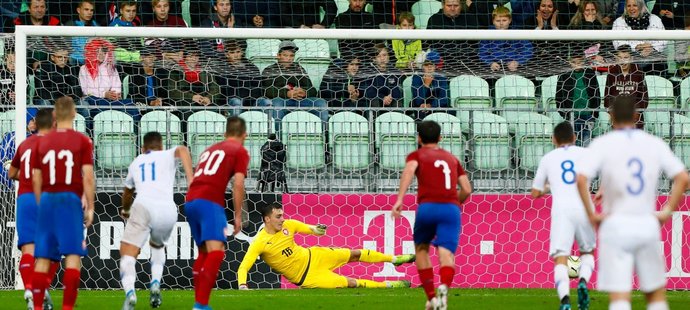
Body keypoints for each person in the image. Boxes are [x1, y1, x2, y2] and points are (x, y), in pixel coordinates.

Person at [575, 96, 689, 310]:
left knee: (619, 298)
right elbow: (683, 178)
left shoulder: (603, 144)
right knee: (655, 296)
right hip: (646, 223)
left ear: (611, 117)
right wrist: (666, 212)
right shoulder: (653, 143)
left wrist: (591, 214)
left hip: (615, 225)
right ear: (637, 116)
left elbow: (581, 178)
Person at [237, 202, 414, 289]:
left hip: (314, 255)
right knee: (351, 283)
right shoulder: (259, 242)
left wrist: (318, 230)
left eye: (282, 215)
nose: (282, 219)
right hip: (307, 277)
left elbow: (311, 229)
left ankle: (394, 259)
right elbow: (243, 267)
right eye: (278, 216)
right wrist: (243, 286)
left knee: (354, 253)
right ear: (267, 219)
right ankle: (390, 285)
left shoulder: (288, 225)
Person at [391, 120, 473, 310]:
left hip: (427, 207)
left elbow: (409, 171)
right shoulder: (452, 159)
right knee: (446, 253)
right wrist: (454, 202)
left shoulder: (417, 155)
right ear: (440, 138)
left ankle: (431, 298)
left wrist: (399, 199)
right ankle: (443, 288)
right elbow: (467, 189)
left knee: (421, 249)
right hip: (450, 209)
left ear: (419, 138)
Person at [30, 96, 95, 310]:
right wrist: (91, 207)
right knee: (73, 255)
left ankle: (37, 307)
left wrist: (41, 203)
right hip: (70, 199)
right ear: (75, 113)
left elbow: (36, 177)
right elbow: (87, 176)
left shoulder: (42, 141)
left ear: (55, 115)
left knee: (42, 257)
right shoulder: (83, 141)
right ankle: (67, 308)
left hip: (48, 198)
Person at [119, 131, 194, 310]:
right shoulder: (168, 154)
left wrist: (126, 209)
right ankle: (155, 282)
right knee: (157, 246)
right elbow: (183, 149)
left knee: (127, 253)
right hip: (168, 209)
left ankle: (130, 294)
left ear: (143, 148)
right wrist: (191, 180)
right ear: (161, 146)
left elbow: (128, 191)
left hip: (143, 205)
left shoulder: (137, 161)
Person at [185, 116, 248, 310]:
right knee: (217, 252)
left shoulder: (210, 149)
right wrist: (238, 215)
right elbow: (238, 184)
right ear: (244, 135)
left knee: (204, 252)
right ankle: (201, 305)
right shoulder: (239, 150)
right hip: (209, 201)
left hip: (190, 201)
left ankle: (199, 302)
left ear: (224, 134)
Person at [531, 121, 596, 310]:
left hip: (562, 211)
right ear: (574, 138)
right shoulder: (586, 154)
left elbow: (535, 192)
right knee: (587, 252)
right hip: (585, 207)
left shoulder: (549, 158)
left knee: (561, 257)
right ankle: (583, 281)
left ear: (554, 139)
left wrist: (550, 187)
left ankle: (565, 300)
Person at [8, 109, 56, 310]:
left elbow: (12, 173)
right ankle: (41, 289)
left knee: (28, 250)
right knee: (53, 250)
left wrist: (26, 179)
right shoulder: (54, 147)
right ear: (53, 125)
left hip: (25, 199)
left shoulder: (24, 144)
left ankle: (29, 289)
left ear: (35, 124)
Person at [258, 40, 328, 129]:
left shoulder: (299, 69)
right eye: (285, 55)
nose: (289, 58)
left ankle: (325, 137)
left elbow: (312, 89)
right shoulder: (270, 70)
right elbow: (266, 91)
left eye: (291, 56)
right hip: (283, 101)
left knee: (320, 103)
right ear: (278, 56)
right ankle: (277, 139)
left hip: (300, 101)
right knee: (277, 104)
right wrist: (287, 93)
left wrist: (304, 92)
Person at [555, 54, 601, 146]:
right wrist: (564, 113)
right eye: (574, 62)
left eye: (579, 62)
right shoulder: (564, 75)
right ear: (569, 62)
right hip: (571, 115)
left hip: (588, 114)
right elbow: (559, 95)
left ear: (583, 62)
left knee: (586, 141)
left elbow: (596, 94)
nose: (577, 65)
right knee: (573, 142)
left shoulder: (589, 73)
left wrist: (594, 113)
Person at [612, 0, 667, 74]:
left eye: (635, 5)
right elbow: (618, 43)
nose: (631, 8)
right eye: (629, 6)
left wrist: (651, 47)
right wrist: (636, 47)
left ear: (641, 6)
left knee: (660, 64)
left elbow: (663, 39)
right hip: (631, 58)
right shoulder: (619, 22)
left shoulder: (655, 19)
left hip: (653, 57)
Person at [479, 6, 533, 73]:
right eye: (498, 21)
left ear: (510, 20)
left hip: (515, 69)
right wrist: (490, 63)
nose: (501, 23)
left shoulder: (517, 33)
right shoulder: (487, 35)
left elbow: (528, 49)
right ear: (493, 21)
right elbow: (482, 52)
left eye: (504, 20)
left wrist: (517, 61)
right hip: (494, 70)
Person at [605, 45, 648, 129]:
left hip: (635, 119)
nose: (623, 61)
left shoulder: (638, 72)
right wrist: (612, 114)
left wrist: (636, 113)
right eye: (620, 57)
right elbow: (607, 97)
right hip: (617, 119)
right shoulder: (612, 72)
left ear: (631, 58)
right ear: (616, 58)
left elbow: (644, 97)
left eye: (626, 57)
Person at [65, 0, 101, 65]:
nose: (89, 13)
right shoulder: (70, 25)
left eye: (91, 10)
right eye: (86, 9)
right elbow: (66, 48)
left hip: (94, 63)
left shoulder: (96, 26)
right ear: (78, 10)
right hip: (75, 64)